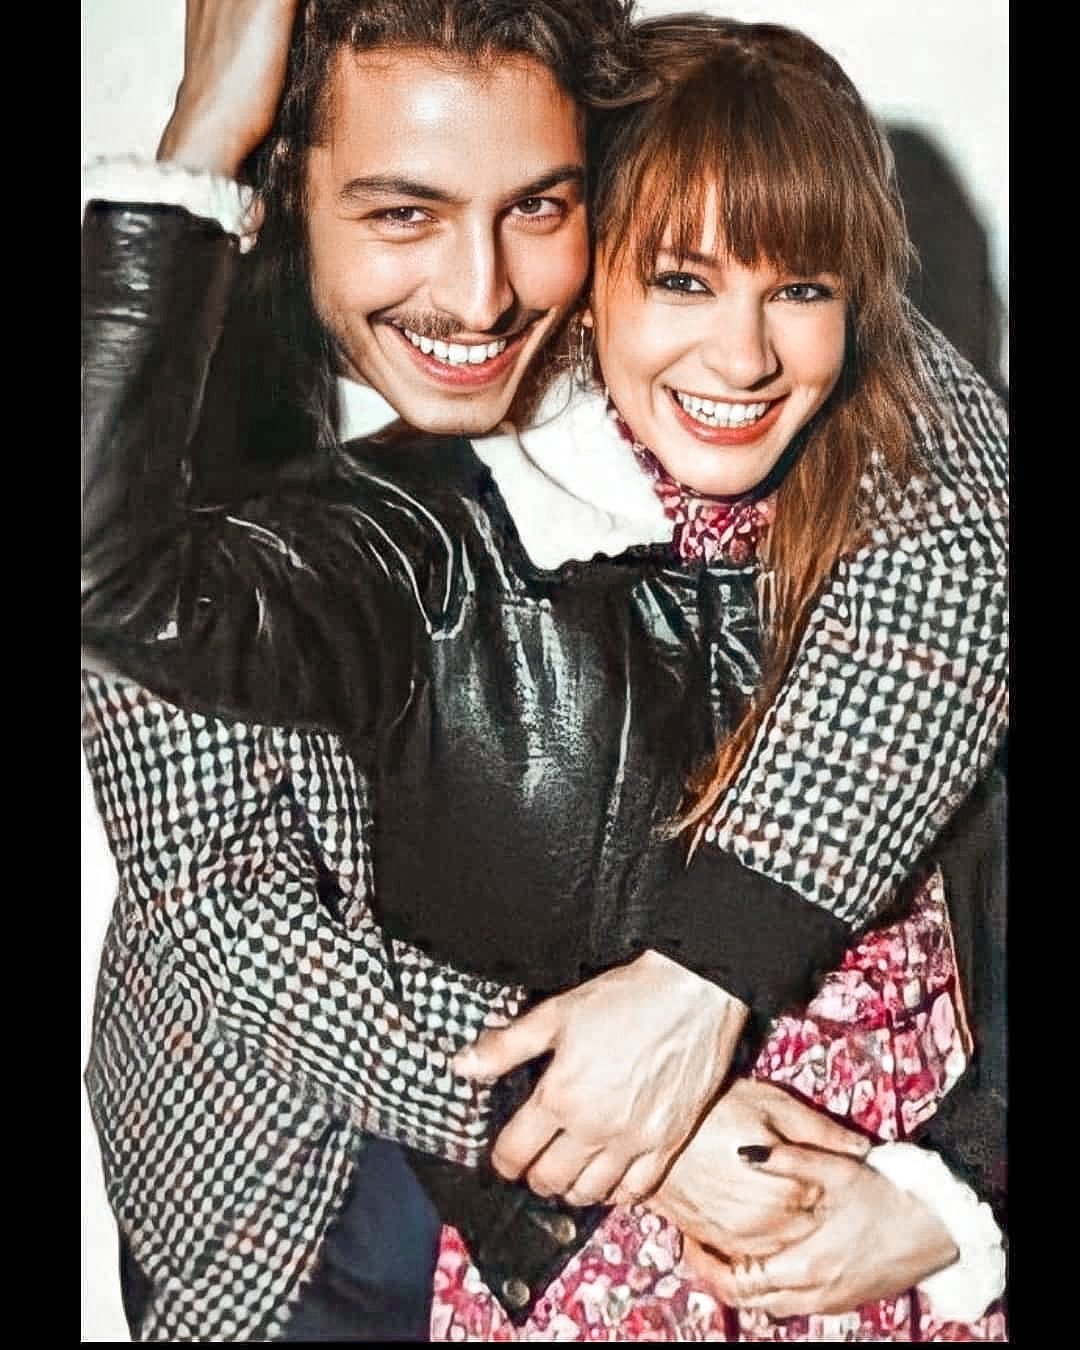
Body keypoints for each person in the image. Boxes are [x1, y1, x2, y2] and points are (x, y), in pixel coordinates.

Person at [81, 0, 1007, 1340]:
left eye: (537, 207)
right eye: (403, 212)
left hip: (685, 1107)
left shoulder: (713, 353)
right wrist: (621, 1115)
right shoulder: (169, 401)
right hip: (304, 1176)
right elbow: (223, 907)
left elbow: (955, 525)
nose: (481, 296)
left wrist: (711, 988)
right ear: (279, 184)